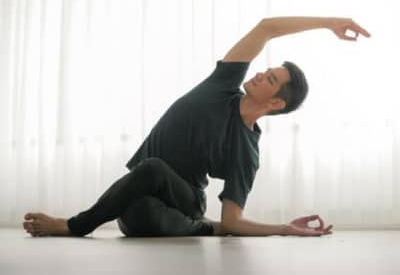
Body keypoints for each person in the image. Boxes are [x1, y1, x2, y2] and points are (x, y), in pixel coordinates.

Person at [23, 16, 370, 237]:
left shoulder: (246, 150)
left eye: (272, 78)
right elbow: (266, 28)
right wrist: (329, 23)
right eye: (268, 69)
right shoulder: (223, 85)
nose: (262, 72)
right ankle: (202, 229)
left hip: (183, 200)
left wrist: (284, 229)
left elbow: (234, 220)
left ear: (277, 103)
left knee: (155, 170)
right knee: (137, 212)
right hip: (142, 202)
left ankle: (73, 226)